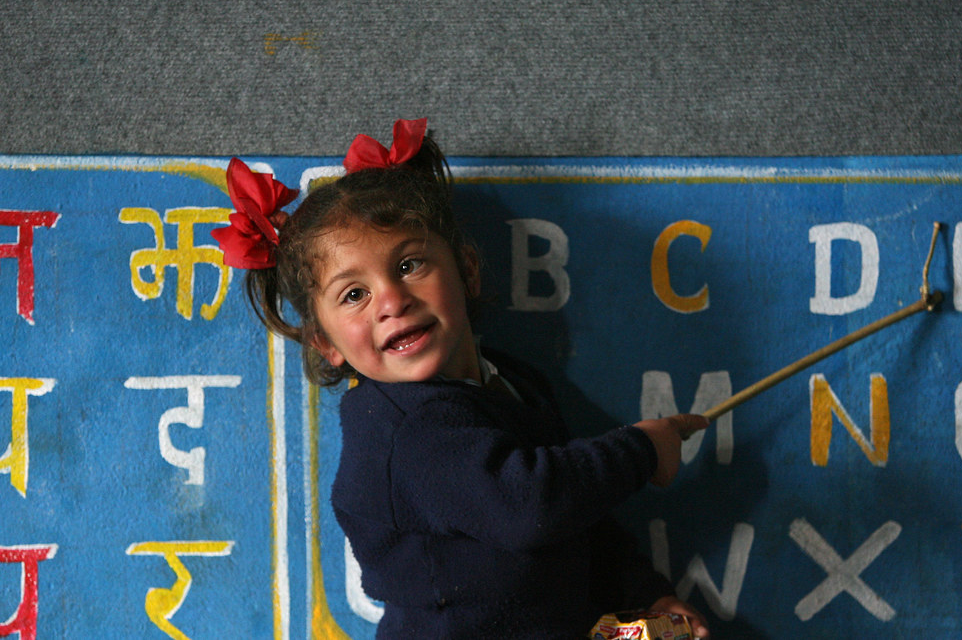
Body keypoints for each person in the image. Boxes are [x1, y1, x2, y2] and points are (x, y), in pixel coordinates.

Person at [212, 118, 711, 638]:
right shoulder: (405, 432)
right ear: (326, 344)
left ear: (467, 272)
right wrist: (642, 451)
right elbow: (532, 505)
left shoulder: (514, 381)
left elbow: (578, 522)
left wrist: (648, 596)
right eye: (353, 295)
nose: (391, 301)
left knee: (673, 634)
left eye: (409, 265)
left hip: (564, 623)